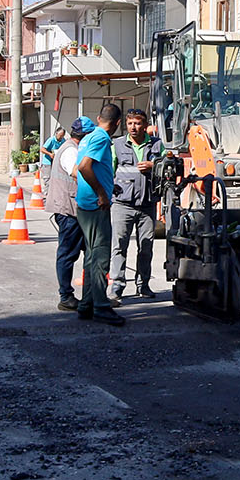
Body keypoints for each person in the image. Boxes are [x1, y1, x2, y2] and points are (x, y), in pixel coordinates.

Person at [73, 101, 122, 327]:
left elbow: (75, 171)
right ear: (117, 123)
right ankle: (101, 307)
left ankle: (87, 304)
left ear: (99, 117)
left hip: (84, 203)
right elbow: (84, 167)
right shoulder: (102, 138)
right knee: (101, 256)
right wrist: (102, 192)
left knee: (91, 256)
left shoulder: (86, 138)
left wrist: (107, 185)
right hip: (95, 205)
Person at [109, 108, 165, 302]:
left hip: (147, 205)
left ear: (145, 125)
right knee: (119, 246)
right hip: (122, 204)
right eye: (130, 123)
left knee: (146, 247)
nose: (134, 127)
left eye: (138, 123)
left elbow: (168, 167)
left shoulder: (157, 145)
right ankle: (116, 286)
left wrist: (153, 165)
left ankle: (144, 285)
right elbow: (110, 171)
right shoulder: (116, 144)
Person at [43, 118, 88, 312]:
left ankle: (91, 294)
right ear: (84, 136)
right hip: (68, 210)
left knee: (89, 251)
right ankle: (66, 296)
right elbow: (77, 173)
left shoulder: (73, 148)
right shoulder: (70, 151)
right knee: (68, 253)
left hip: (76, 208)